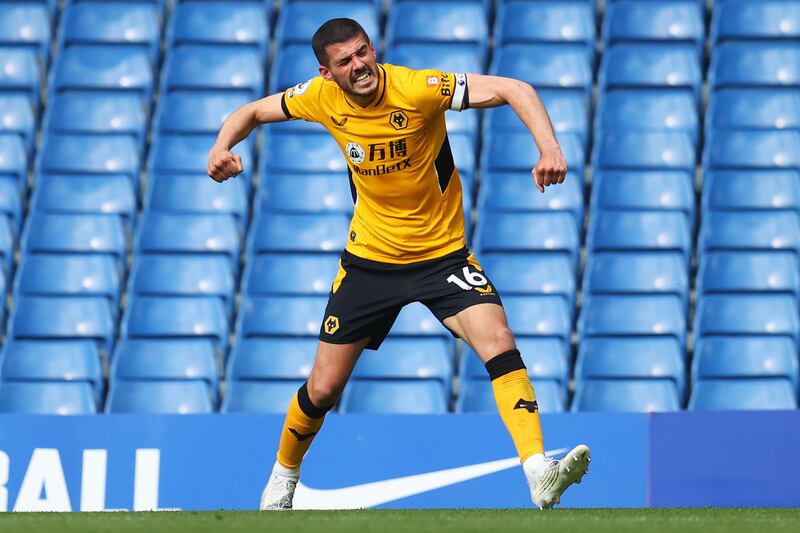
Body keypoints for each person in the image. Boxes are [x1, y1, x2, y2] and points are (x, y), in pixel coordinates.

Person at [208, 18, 590, 511]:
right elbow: (251, 111)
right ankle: (283, 479)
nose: (359, 65)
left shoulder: (418, 87)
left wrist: (550, 146)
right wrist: (221, 148)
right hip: (370, 262)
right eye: (344, 61)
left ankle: (539, 471)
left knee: (499, 341)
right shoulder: (319, 98)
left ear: (373, 49)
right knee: (323, 388)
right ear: (326, 73)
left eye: (363, 52)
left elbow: (516, 89)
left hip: (442, 255)